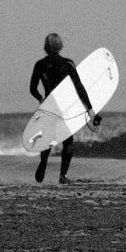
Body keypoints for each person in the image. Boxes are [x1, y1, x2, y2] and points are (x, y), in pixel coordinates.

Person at [29, 33, 99, 183]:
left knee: (47, 139)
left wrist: (41, 99)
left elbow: (32, 89)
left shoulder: (40, 64)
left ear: (46, 47)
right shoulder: (67, 64)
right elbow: (79, 87)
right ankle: (63, 176)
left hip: (49, 106)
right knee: (67, 141)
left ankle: (43, 162)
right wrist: (89, 108)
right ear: (60, 46)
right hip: (65, 107)